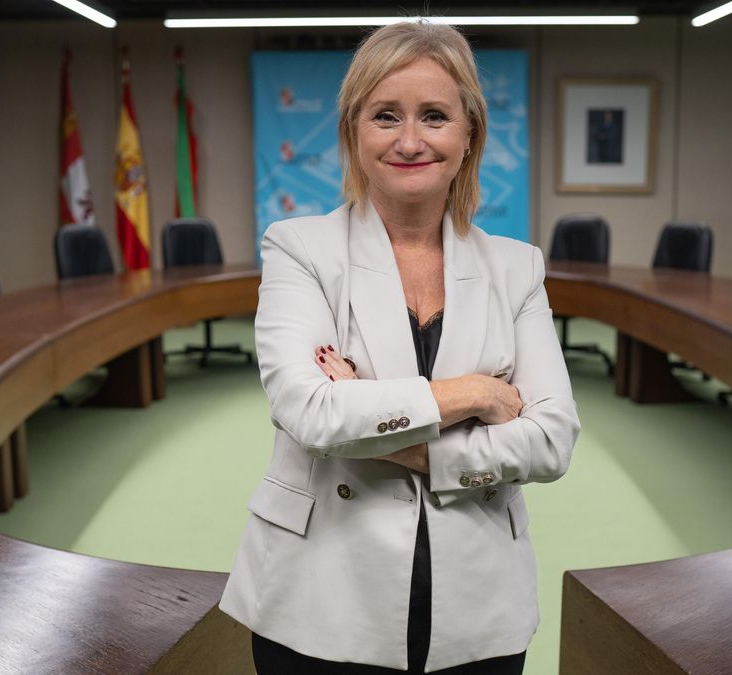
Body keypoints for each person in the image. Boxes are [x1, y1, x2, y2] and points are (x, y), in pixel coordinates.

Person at [219, 20, 581, 674]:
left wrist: (367, 412)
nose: (410, 139)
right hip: (320, 594)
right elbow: (309, 412)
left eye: (435, 116)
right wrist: (474, 395)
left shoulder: (517, 267)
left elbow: (552, 439)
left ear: (469, 133)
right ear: (353, 133)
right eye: (386, 115)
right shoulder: (299, 249)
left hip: (478, 599)